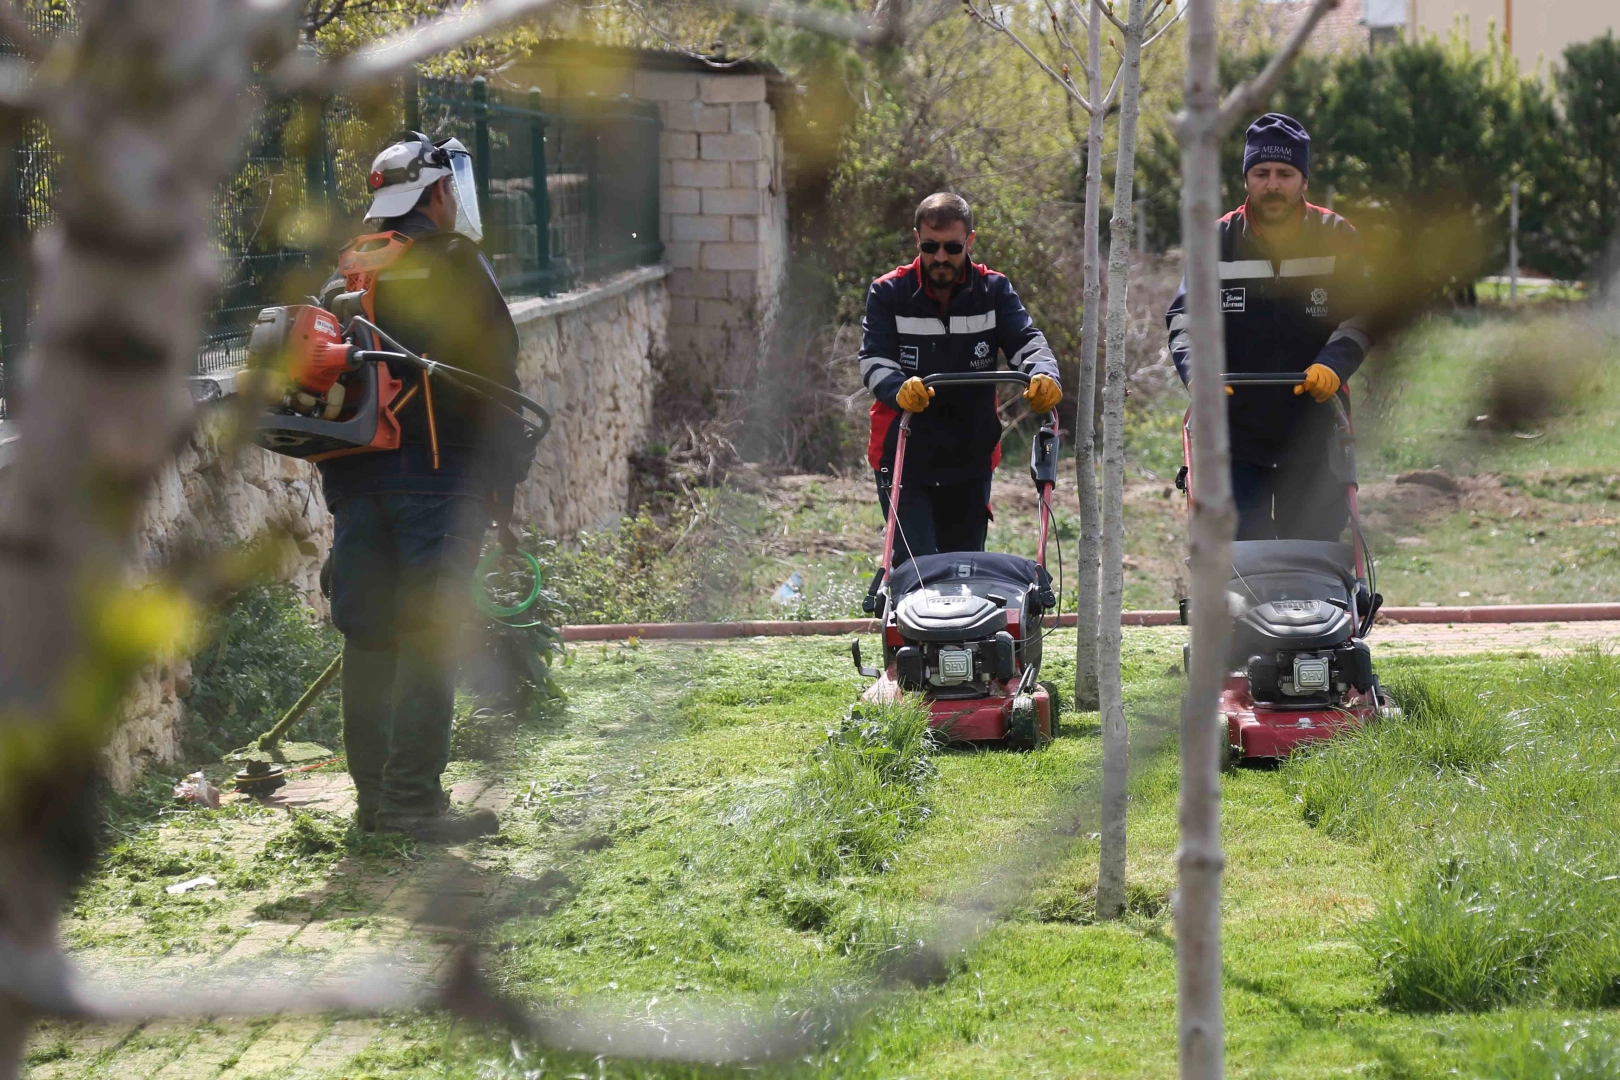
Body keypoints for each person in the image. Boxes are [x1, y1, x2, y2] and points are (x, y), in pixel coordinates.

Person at [316, 132, 530, 841]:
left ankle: (375, 805)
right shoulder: (456, 264)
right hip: (437, 481)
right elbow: (495, 378)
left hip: (355, 481)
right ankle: (412, 802)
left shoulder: (347, 270)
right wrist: (502, 488)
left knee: (370, 637)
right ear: (437, 193)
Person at [1166, 113, 1372, 542]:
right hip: (1233, 437)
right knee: (1241, 565)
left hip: (1315, 433)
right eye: (1261, 173)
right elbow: (1185, 319)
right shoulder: (1216, 241)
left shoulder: (1336, 237)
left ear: (1303, 179)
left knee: (1312, 559)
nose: (1273, 184)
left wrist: (1334, 365)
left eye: (1285, 173)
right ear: (1246, 178)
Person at [857, 192, 1063, 559]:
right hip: (905, 453)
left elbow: (1028, 343)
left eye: (952, 247)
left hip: (970, 455)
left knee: (964, 568)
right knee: (916, 569)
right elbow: (873, 358)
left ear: (970, 241)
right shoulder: (889, 292)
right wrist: (898, 389)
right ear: (916, 239)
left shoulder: (993, 290)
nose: (940, 257)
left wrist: (1044, 375)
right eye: (930, 246)